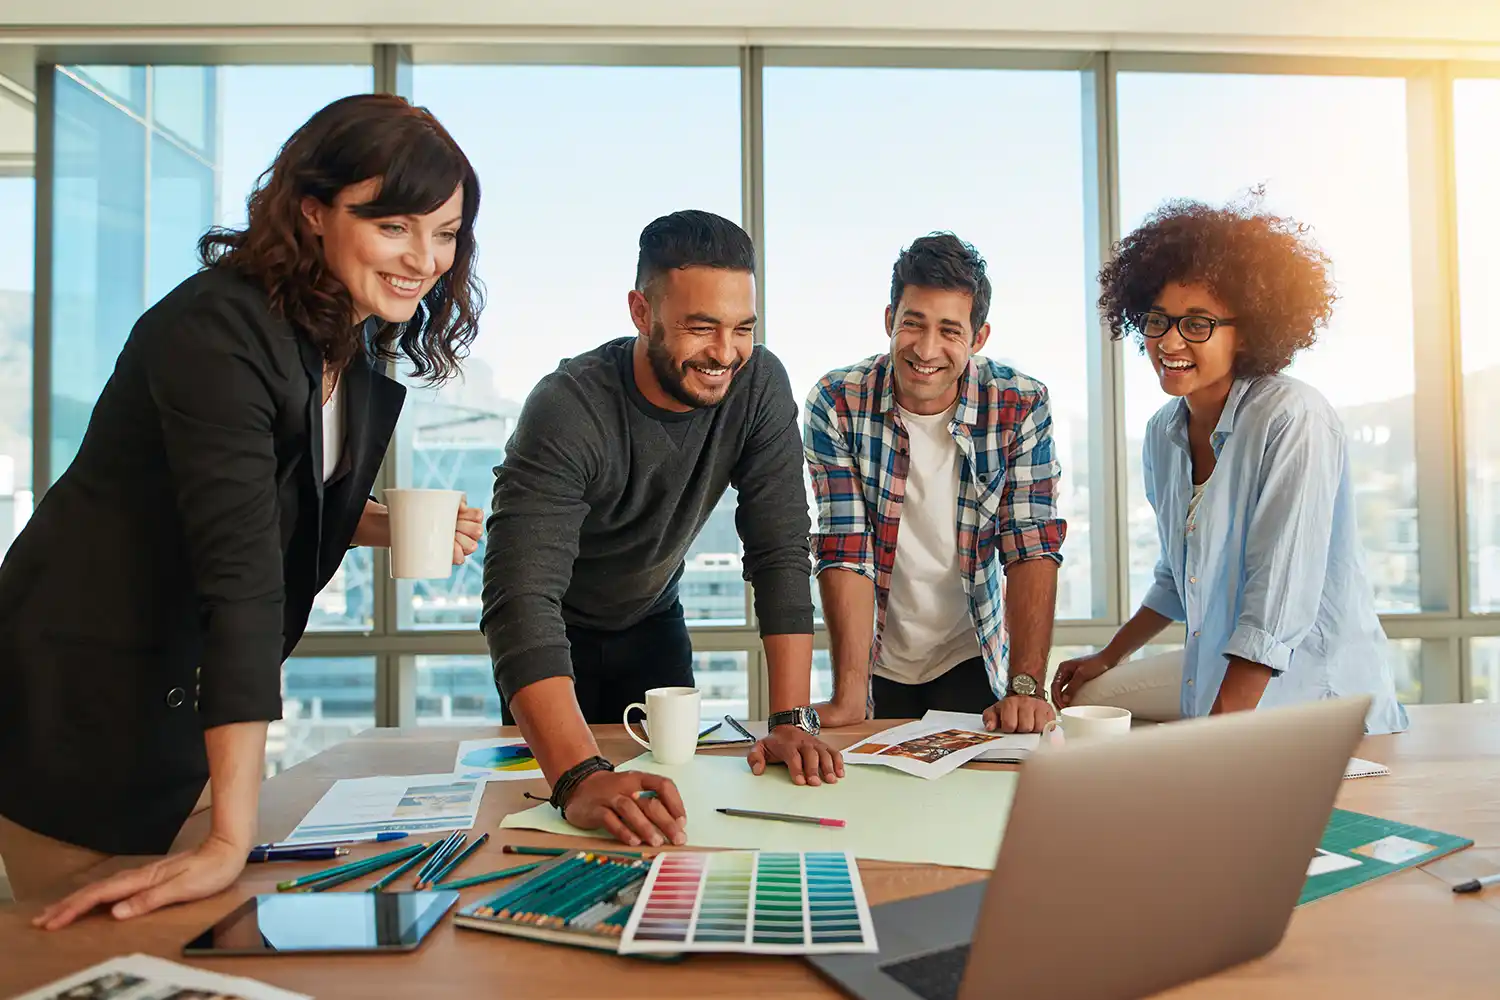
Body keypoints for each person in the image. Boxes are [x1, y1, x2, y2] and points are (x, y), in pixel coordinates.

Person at [0, 93, 487, 925]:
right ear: (312, 211)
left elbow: (277, 492)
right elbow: (242, 573)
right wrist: (230, 840)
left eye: (444, 234)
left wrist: (374, 522)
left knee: (192, 942)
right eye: (394, 226)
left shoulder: (344, 340)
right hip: (81, 710)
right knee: (103, 958)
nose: (425, 259)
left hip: (189, 723)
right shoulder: (218, 328)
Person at [480, 210, 844, 851]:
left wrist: (790, 718)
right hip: (552, 639)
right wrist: (578, 777)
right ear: (640, 312)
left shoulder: (758, 384)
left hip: (654, 623)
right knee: (558, 829)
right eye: (701, 328)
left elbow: (780, 547)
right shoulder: (568, 408)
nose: (725, 354)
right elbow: (520, 598)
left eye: (741, 329)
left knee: (671, 822)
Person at [1052, 196, 1407, 734]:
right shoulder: (1161, 434)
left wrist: (1218, 739)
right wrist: (1109, 655)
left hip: (1316, 698)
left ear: (1249, 331)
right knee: (1092, 697)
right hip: (1225, 676)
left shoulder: (1293, 417)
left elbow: (1276, 601)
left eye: (1197, 324)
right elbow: (1177, 578)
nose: (1169, 341)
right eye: (1157, 320)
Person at [803, 233, 1067, 733]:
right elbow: (845, 547)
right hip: (876, 658)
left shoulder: (1020, 403)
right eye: (913, 324)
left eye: (949, 330)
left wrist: (1026, 687)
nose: (927, 349)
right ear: (889, 320)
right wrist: (850, 694)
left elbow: (1029, 543)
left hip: (969, 652)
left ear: (979, 337)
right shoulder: (837, 401)